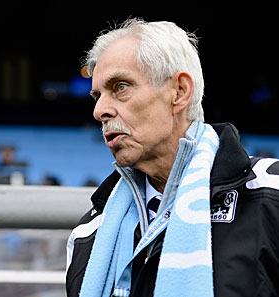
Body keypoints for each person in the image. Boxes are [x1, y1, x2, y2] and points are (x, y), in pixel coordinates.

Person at [66, 18, 279, 297]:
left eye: (120, 87)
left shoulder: (270, 199)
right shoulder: (88, 233)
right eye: (97, 96)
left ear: (179, 92)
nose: (99, 110)